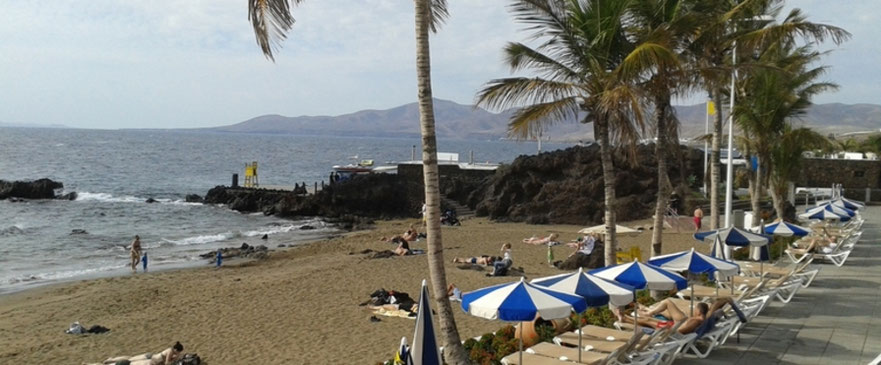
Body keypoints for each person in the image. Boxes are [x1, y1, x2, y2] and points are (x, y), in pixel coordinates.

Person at [618, 297, 736, 335]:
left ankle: (626, 319)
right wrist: (727, 300)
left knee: (649, 321)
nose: (694, 311)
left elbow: (680, 332)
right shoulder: (704, 318)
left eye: (695, 310)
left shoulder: (695, 321)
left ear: (699, 312)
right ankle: (631, 316)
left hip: (673, 330)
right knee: (651, 318)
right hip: (677, 323)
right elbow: (716, 305)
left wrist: (666, 329)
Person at [102, 341, 183, 365]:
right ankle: (111, 360)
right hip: (150, 358)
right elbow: (167, 363)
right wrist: (176, 357)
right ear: (176, 349)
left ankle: (111, 360)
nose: (178, 353)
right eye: (178, 351)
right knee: (129, 360)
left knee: (130, 359)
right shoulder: (170, 351)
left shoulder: (171, 350)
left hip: (151, 357)